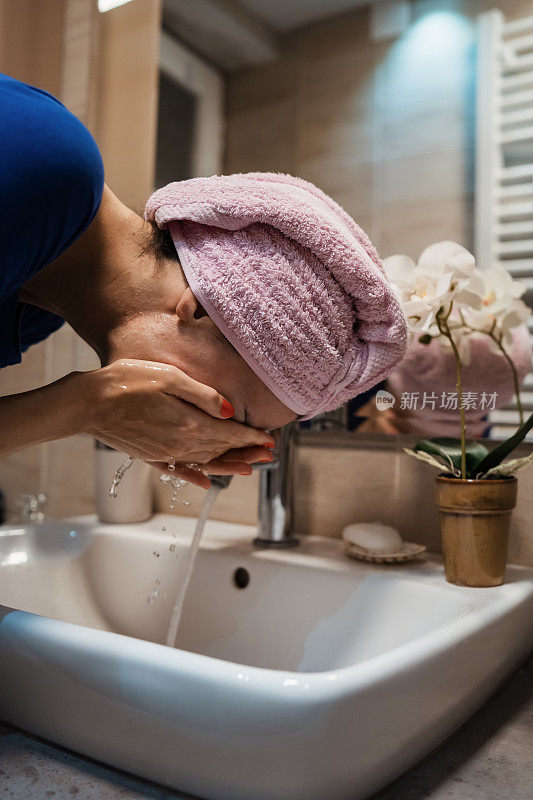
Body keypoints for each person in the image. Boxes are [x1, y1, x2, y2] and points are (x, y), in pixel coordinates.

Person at [0, 73, 407, 488]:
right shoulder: (46, 171)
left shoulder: (32, 314)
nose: (197, 437)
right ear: (200, 306)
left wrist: (88, 410)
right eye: (223, 411)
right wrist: (81, 409)